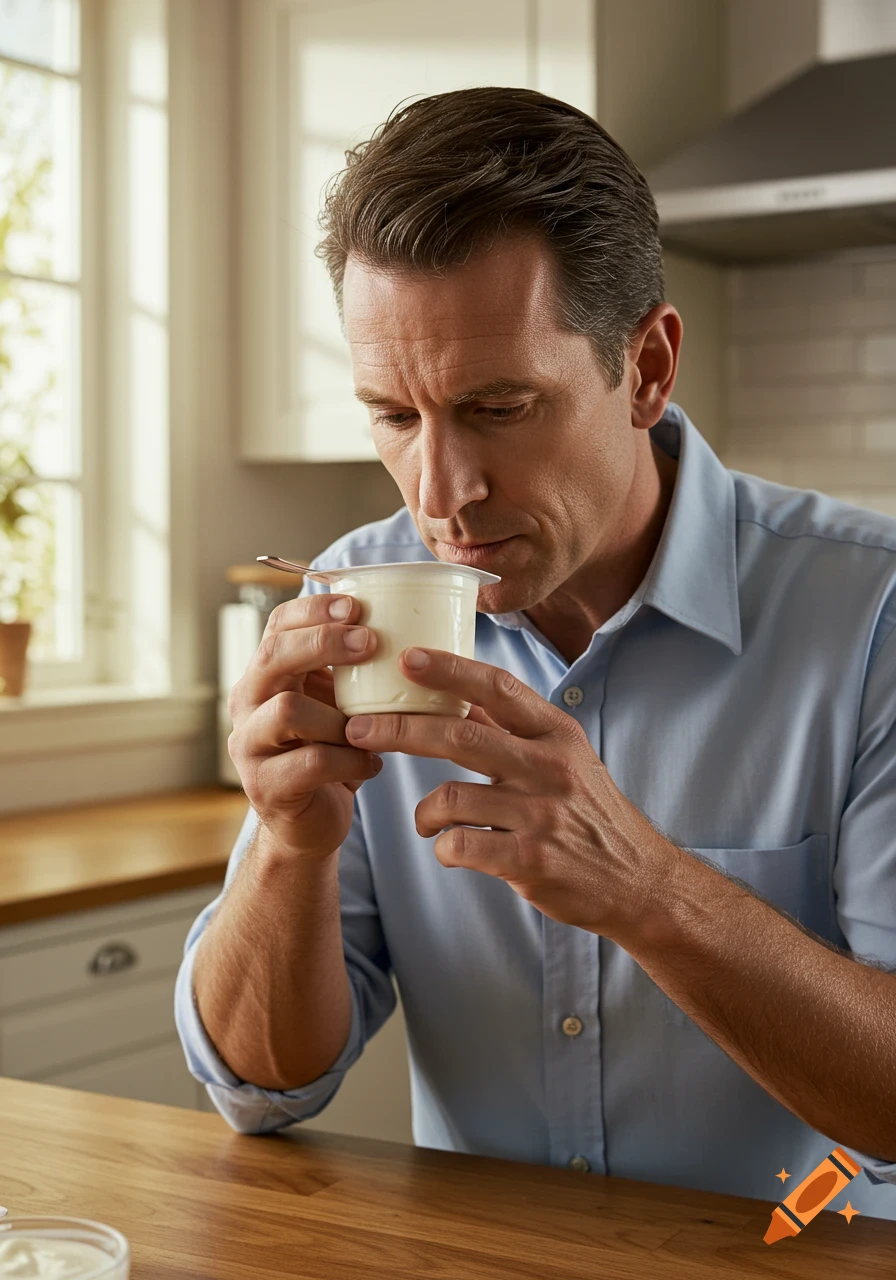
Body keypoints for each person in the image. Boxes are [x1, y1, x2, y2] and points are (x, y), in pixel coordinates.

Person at [176, 88, 896, 1218]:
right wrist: (287, 844)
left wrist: (647, 889)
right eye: (395, 417)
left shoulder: (871, 616)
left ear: (647, 368)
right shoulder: (356, 599)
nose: (440, 495)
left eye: (498, 406)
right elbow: (261, 1087)